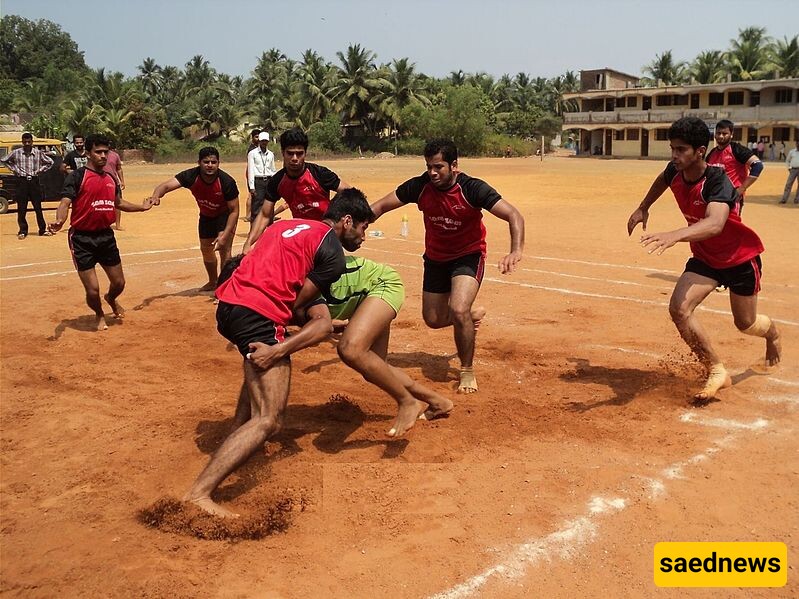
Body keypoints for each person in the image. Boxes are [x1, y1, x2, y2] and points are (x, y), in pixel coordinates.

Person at [183, 189, 373, 518]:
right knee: (270, 419)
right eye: (363, 227)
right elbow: (301, 307)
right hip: (258, 315)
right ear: (346, 221)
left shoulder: (287, 226)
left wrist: (313, 321)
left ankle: (235, 437)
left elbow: (269, 275)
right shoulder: (332, 251)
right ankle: (199, 493)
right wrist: (281, 348)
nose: (363, 236)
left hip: (229, 307)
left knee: (256, 368)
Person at [627, 117, 781, 403]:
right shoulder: (675, 170)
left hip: (739, 258)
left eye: (681, 150)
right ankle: (716, 369)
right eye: (672, 148)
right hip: (706, 258)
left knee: (745, 323)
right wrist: (643, 208)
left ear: (700, 151)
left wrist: (676, 234)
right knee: (679, 309)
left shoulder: (717, 181)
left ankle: (772, 335)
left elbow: (715, 224)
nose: (675, 155)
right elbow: (662, 179)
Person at [370, 139, 525, 394]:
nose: (432, 173)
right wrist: (357, 224)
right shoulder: (420, 186)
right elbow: (380, 206)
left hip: (468, 255)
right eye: (429, 166)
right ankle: (468, 318)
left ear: (454, 165)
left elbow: (513, 215)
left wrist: (515, 250)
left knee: (459, 307)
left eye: (438, 167)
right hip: (435, 259)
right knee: (433, 319)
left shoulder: (472, 188)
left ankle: (466, 370)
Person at [303, 256, 455, 437]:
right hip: (364, 293)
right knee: (375, 366)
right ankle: (438, 401)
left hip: (380, 285)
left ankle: (408, 402)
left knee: (351, 350)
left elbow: (314, 329)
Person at [48, 134, 154, 331]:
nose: (103, 156)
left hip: (105, 237)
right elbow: (65, 202)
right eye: (98, 152)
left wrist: (142, 207)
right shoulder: (77, 176)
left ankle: (111, 299)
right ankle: (99, 314)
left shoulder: (111, 178)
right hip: (81, 239)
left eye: (106, 152)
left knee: (119, 283)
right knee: (93, 289)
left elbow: (119, 203)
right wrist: (59, 220)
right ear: (88, 153)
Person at [244, 127, 351, 252]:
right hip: (302, 237)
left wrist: (336, 212)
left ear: (305, 153)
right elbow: (264, 215)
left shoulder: (320, 174)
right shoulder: (277, 181)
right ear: (283, 153)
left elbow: (350, 193)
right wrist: (249, 242)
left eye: (299, 153)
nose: (295, 158)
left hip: (326, 235)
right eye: (290, 153)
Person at [148, 147, 240, 291]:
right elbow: (165, 186)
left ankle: (224, 287)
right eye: (206, 162)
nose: (210, 165)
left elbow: (234, 210)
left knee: (224, 250)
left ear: (218, 163)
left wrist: (225, 233)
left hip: (225, 216)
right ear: (199, 162)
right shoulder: (191, 176)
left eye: (213, 162)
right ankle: (212, 281)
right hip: (206, 216)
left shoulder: (227, 182)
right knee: (206, 249)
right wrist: (156, 195)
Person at [0, 132, 54, 239]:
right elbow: (3, 160)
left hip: (34, 181)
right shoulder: (16, 153)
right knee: (21, 207)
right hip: (21, 181)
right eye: (25, 142)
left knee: (37, 207)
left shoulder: (38, 153)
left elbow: (50, 162)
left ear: (32, 142)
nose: (27, 144)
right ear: (22, 142)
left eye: (29, 142)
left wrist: (39, 171)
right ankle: (23, 230)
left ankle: (42, 229)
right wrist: (15, 170)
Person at [705, 120, 763, 212]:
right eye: (718, 133)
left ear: (731, 134)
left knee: (730, 226)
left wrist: (741, 189)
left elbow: (757, 165)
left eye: (725, 133)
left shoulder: (737, 150)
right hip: (714, 198)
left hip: (732, 198)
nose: (721, 136)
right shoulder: (712, 154)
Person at [246, 131, 277, 223]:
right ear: (259, 141)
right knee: (256, 206)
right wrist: (252, 187)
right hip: (258, 181)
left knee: (269, 205)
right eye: (262, 140)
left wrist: (275, 183)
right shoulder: (252, 153)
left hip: (268, 180)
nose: (264, 142)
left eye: (266, 141)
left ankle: (269, 228)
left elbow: (272, 169)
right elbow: (250, 170)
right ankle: (254, 229)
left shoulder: (271, 154)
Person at [103, 141, 125, 230]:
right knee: (102, 204)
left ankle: (118, 224)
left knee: (118, 204)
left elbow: (119, 169)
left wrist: (122, 181)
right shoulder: (98, 155)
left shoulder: (115, 155)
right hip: (101, 183)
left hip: (114, 183)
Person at [243, 128, 261, 222]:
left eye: (259, 136)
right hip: (251, 172)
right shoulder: (252, 149)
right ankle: (248, 215)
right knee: (251, 194)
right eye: (256, 136)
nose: (258, 138)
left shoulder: (258, 147)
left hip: (255, 172)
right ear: (252, 137)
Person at [779, 140, 799, 204]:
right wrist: (789, 168)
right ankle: (784, 199)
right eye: (797, 143)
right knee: (788, 184)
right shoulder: (792, 152)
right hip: (793, 170)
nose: (798, 144)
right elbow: (787, 160)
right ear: (796, 144)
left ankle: (797, 199)